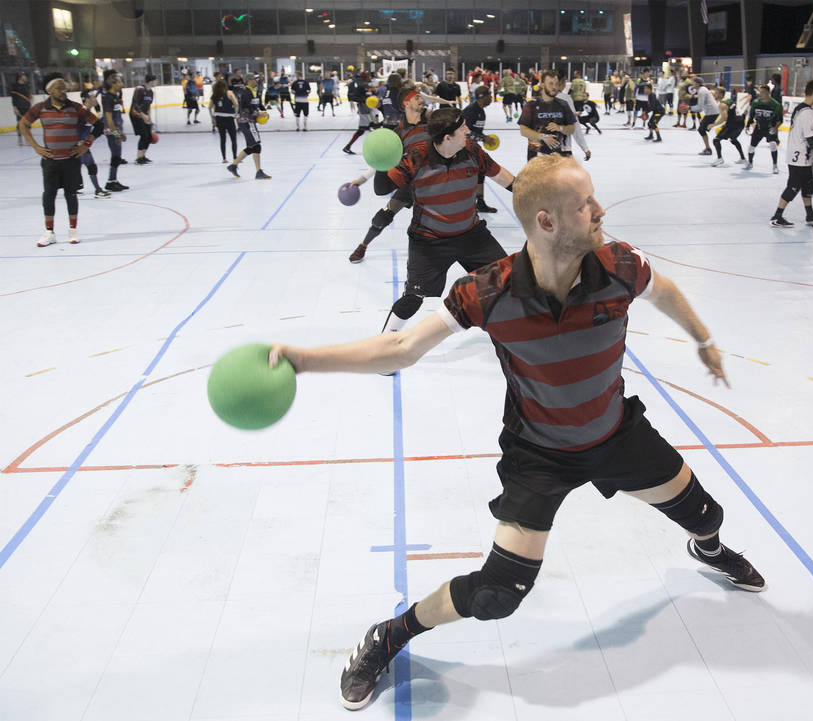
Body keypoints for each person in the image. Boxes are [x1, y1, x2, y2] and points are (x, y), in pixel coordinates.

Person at [266, 154, 763, 712]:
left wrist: (702, 338)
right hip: (539, 457)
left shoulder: (621, 266)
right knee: (496, 595)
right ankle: (390, 634)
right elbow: (401, 348)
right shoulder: (488, 292)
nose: (601, 211)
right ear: (547, 221)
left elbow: (664, 289)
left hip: (617, 434)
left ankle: (708, 549)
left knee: (708, 516)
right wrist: (304, 360)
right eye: (585, 205)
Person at [376, 108, 515, 333]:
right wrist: (381, 162)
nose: (468, 131)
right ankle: (385, 343)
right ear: (447, 137)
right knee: (413, 298)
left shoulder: (473, 151)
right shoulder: (416, 157)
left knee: (507, 281)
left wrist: (539, 197)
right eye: (462, 128)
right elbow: (382, 188)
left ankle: (513, 330)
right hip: (429, 242)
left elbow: (505, 179)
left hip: (472, 236)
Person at [346, 87, 433, 264]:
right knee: (383, 217)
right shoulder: (398, 133)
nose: (422, 100)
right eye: (417, 98)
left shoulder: (432, 125)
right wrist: (361, 180)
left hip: (433, 183)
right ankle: (363, 245)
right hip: (410, 183)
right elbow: (383, 161)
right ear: (406, 103)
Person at [19, 73, 104, 246]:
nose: (63, 90)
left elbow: (99, 125)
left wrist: (86, 144)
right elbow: (23, 124)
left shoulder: (75, 108)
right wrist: (35, 146)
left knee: (71, 194)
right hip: (51, 161)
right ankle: (49, 232)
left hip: (71, 160)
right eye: (59, 87)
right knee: (49, 195)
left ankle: (73, 230)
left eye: (64, 87)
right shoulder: (40, 108)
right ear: (49, 90)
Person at [770, 80, 813, 227]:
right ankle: (777, 216)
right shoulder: (808, 113)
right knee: (794, 186)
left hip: (799, 154)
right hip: (800, 156)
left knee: (808, 183)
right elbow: (810, 137)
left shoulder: (801, 108)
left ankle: (810, 214)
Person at [519, 69, 577, 162]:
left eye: (556, 84)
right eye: (550, 84)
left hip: (557, 157)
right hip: (535, 159)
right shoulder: (531, 105)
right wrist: (543, 137)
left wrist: (560, 128)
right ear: (542, 84)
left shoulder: (563, 104)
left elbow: (572, 128)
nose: (554, 87)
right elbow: (523, 131)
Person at [461, 86, 499, 213]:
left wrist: (482, 139)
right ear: (482, 97)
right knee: (467, 176)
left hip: (473, 148)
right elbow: (464, 132)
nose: (491, 98)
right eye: (489, 95)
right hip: (461, 148)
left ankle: (480, 202)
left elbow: (475, 132)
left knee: (481, 172)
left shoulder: (481, 111)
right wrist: (484, 138)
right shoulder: (470, 111)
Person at [227, 74, 270, 180]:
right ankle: (258, 172)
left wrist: (262, 110)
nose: (257, 81)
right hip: (247, 121)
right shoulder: (246, 92)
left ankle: (233, 165)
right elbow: (245, 108)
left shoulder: (253, 91)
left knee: (252, 146)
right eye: (255, 79)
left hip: (248, 121)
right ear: (249, 80)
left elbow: (256, 105)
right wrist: (258, 114)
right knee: (256, 145)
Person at [75, 80, 110, 199]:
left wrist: (113, 133)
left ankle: (76, 188)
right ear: (86, 99)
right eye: (93, 97)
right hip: (80, 145)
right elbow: (75, 127)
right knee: (91, 166)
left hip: (82, 144)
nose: (95, 99)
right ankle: (98, 190)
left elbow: (100, 128)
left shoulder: (88, 113)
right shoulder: (81, 112)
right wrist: (78, 141)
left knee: (77, 167)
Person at [100, 70, 129, 192]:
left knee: (117, 156)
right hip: (111, 130)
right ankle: (111, 181)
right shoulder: (108, 98)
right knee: (116, 156)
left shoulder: (115, 97)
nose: (122, 83)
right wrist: (116, 133)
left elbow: (117, 117)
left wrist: (120, 131)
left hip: (116, 129)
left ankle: (113, 180)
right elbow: (109, 118)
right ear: (113, 84)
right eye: (119, 81)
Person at [746, 84, 782, 173]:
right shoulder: (756, 102)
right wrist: (747, 125)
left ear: (768, 93)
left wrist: (775, 128)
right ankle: (750, 163)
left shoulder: (775, 105)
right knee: (751, 147)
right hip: (758, 128)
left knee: (773, 145)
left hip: (770, 128)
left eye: (762, 92)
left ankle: (775, 165)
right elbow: (751, 115)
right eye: (760, 92)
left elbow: (780, 120)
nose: (760, 94)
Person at [710, 88, 747, 167]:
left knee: (716, 140)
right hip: (740, 122)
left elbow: (724, 118)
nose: (713, 95)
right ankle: (743, 158)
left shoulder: (722, 105)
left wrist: (714, 124)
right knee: (733, 139)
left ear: (720, 94)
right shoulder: (729, 100)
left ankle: (719, 158)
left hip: (733, 124)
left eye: (715, 93)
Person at [209, 78, 239, 163]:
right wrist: (236, 114)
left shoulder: (214, 95)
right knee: (233, 139)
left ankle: (224, 158)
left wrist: (212, 118)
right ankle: (235, 157)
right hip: (229, 118)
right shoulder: (229, 93)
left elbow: (209, 107)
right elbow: (236, 104)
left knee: (223, 139)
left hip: (219, 118)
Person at [129, 74, 157, 165]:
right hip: (136, 115)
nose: (156, 82)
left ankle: (143, 155)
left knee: (149, 137)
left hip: (144, 115)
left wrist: (150, 119)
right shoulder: (139, 89)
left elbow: (148, 106)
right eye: (155, 81)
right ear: (151, 81)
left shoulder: (151, 92)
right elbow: (135, 104)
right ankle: (138, 157)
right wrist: (142, 114)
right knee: (144, 135)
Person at [692, 79, 720, 154]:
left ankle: (708, 149)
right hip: (712, 112)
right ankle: (708, 148)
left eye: (693, 82)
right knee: (702, 129)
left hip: (712, 113)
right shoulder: (702, 89)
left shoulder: (701, 91)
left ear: (697, 84)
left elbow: (700, 107)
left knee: (701, 129)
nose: (692, 84)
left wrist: (689, 108)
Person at [11, 72, 32, 146]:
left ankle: (28, 139)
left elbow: (29, 95)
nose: (25, 77)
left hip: (27, 107)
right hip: (19, 107)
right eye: (23, 75)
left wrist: (30, 101)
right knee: (19, 123)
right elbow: (13, 97)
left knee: (27, 123)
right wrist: (14, 107)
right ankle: (19, 139)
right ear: (20, 77)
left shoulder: (27, 85)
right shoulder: (15, 86)